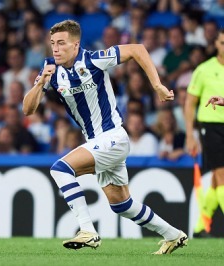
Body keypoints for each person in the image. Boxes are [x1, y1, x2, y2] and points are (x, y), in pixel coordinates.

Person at [22, 20, 187, 254]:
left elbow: (137, 49)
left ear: (75, 44)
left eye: (61, 43)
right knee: (122, 205)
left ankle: (87, 230)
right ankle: (173, 235)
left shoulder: (93, 59)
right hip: (97, 143)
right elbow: (27, 110)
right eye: (52, 44)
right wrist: (40, 82)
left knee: (60, 169)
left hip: (113, 137)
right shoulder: (50, 69)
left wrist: (157, 85)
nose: (55, 48)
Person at [185, 29, 224, 238]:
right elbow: (190, 102)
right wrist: (190, 134)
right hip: (211, 127)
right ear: (216, 44)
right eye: (222, 42)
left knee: (219, 181)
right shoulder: (204, 69)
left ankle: (200, 227)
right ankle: (201, 226)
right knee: (221, 175)